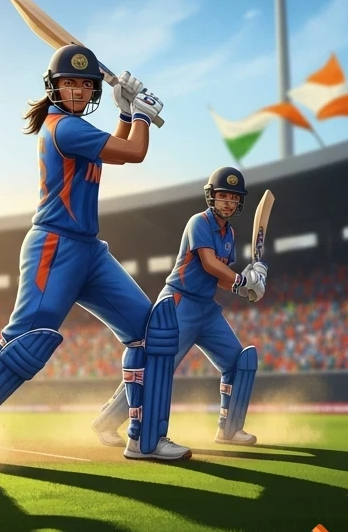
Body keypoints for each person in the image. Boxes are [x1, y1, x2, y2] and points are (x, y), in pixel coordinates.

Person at [0, 44, 188, 461]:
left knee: (150, 333)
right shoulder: (63, 128)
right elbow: (135, 153)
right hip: (55, 247)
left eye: (85, 84)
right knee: (25, 343)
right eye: (70, 83)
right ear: (54, 87)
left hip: (89, 251)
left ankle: (145, 437)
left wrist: (125, 114)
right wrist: (141, 114)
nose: (79, 91)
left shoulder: (76, 129)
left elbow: (117, 154)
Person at [91, 166, 267, 447]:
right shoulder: (199, 222)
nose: (228, 202)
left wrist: (245, 288)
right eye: (223, 195)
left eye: (234, 198)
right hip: (178, 304)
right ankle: (106, 422)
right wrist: (243, 279)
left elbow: (220, 278)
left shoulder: (229, 234)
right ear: (211, 196)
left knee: (238, 362)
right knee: (156, 368)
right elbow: (209, 263)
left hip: (206, 309)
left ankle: (229, 429)